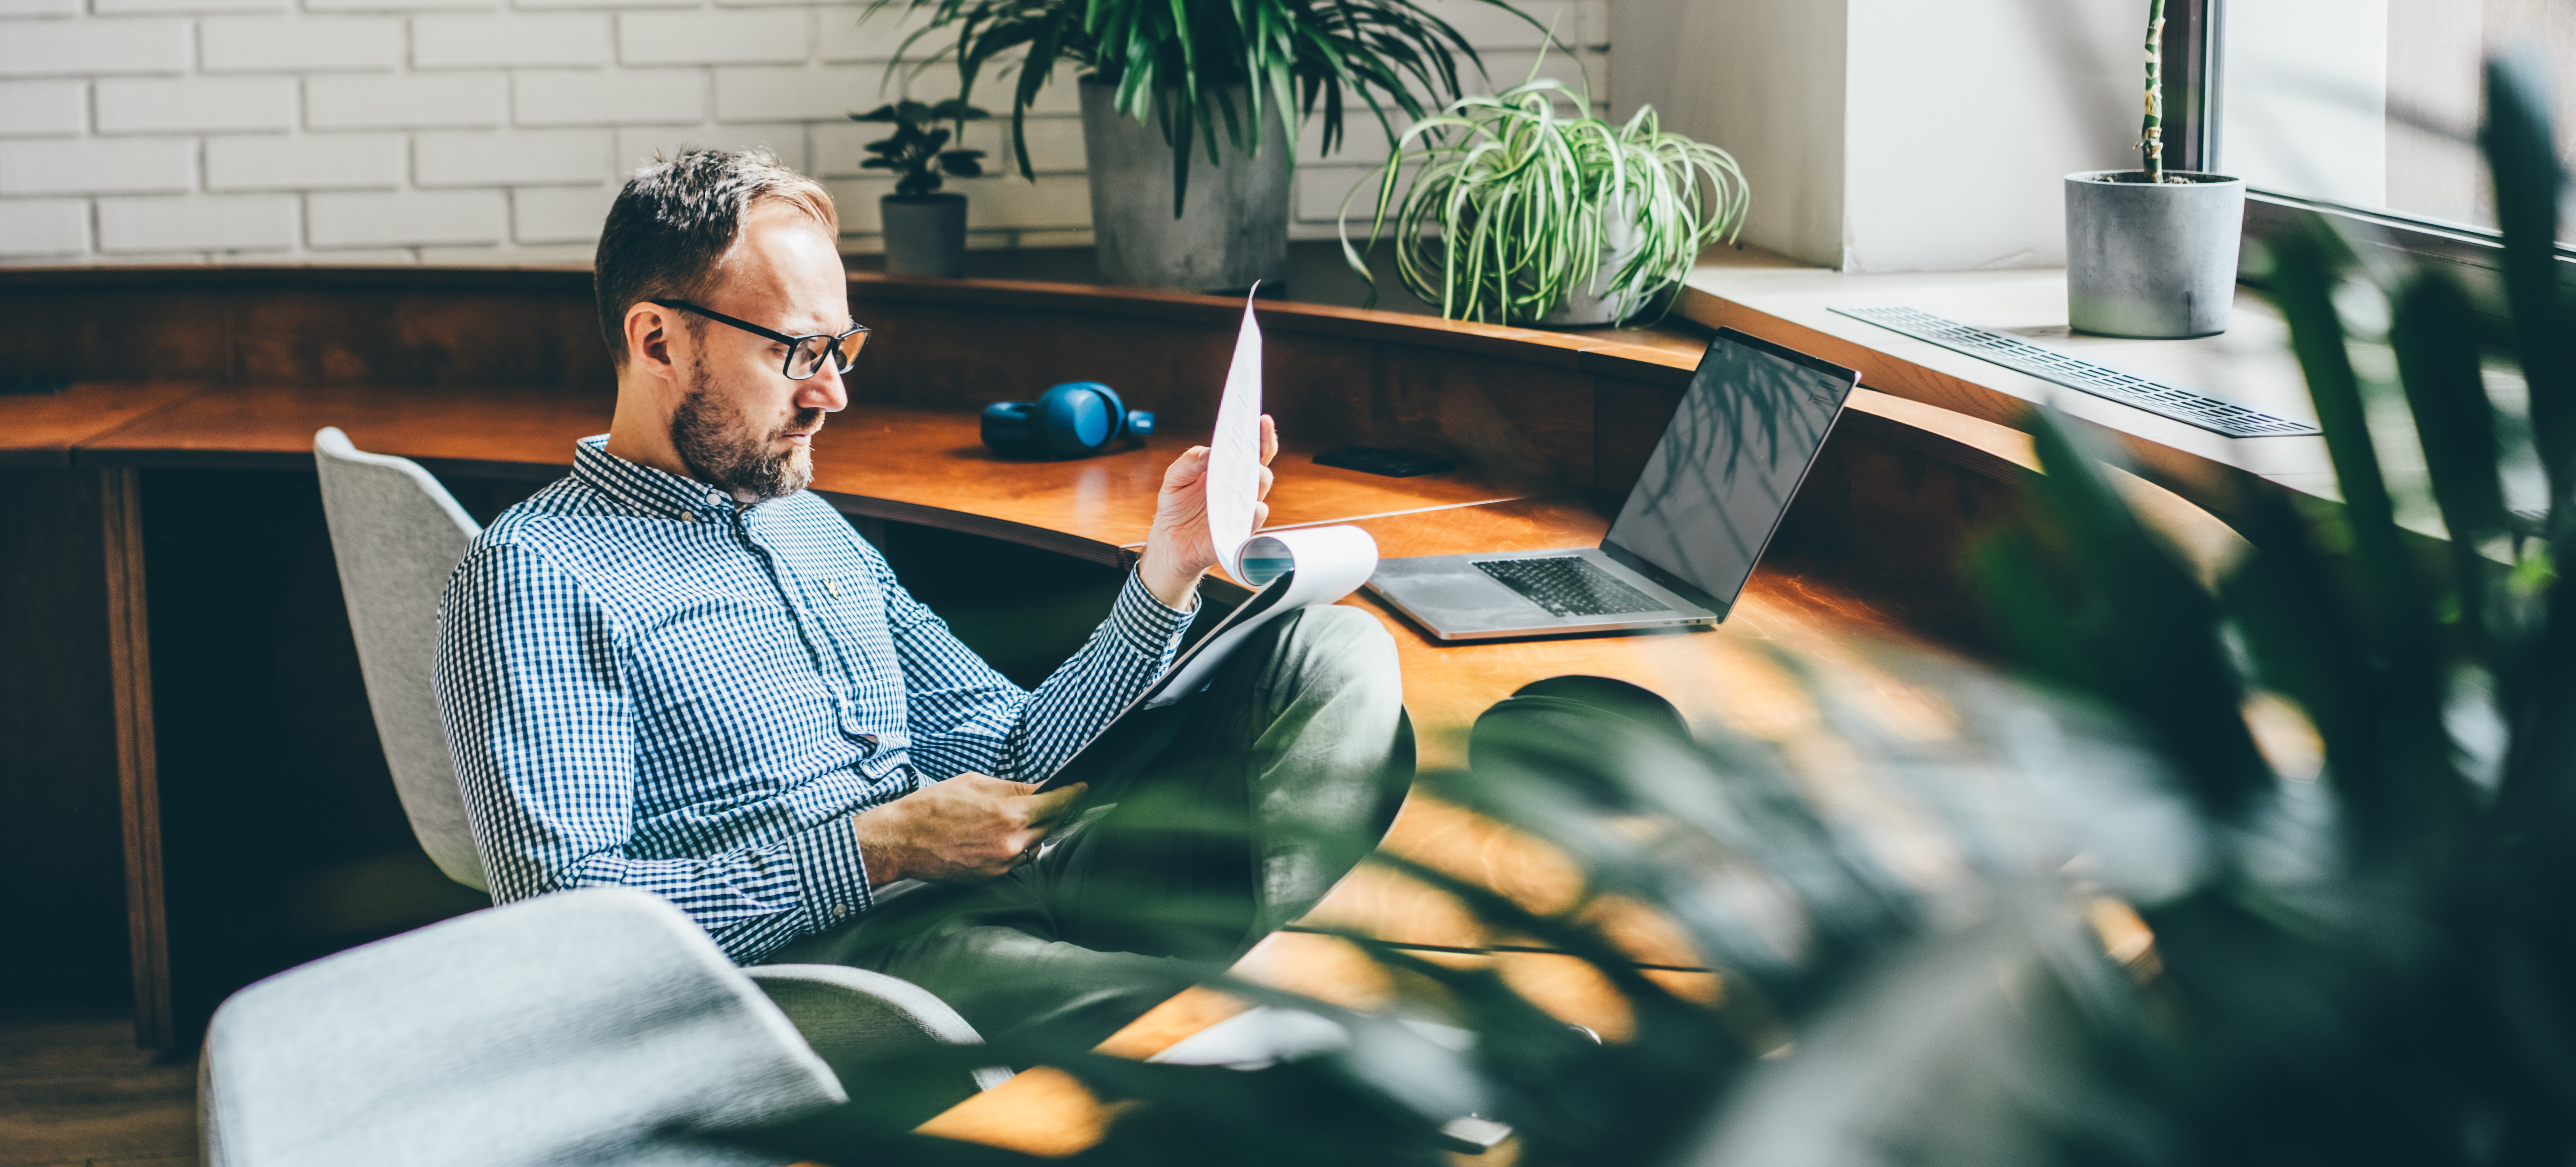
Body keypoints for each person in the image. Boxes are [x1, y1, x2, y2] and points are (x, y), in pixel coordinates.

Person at [432, 148, 1410, 1049]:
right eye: (796, 354)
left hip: (1008, 868)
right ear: (656, 342)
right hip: (836, 964)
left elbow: (1014, 751)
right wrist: (881, 846)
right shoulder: (536, 573)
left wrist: (1169, 571)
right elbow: (567, 931)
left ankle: (1280, 1002)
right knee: (1159, 1025)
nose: (834, 395)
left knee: (1334, 653)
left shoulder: (804, 521)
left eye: (840, 349)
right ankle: (1271, 1041)